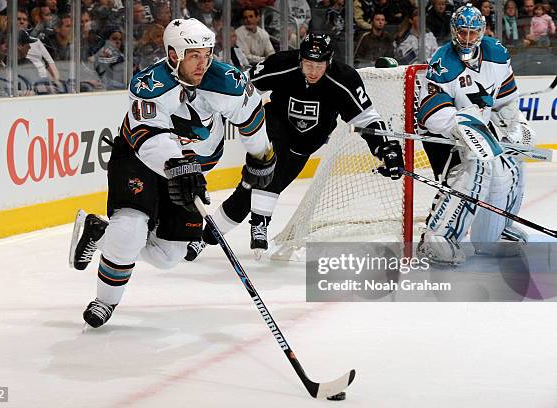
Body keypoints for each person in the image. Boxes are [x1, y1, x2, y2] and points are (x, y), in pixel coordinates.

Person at [69, 18, 275, 328]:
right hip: (140, 159)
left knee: (168, 256)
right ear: (173, 54)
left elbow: (250, 117)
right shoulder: (149, 84)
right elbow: (150, 137)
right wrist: (178, 166)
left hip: (189, 169)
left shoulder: (227, 82)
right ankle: (105, 300)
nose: (202, 63)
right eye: (194, 55)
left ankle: (98, 233)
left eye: (207, 54)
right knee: (131, 230)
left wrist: (262, 155)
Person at [184, 33, 404, 261]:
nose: (313, 71)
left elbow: (367, 118)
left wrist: (386, 149)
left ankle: (205, 237)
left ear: (329, 61)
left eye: (319, 65)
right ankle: (260, 221)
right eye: (308, 64)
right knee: (267, 169)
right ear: (300, 59)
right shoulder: (281, 64)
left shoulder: (344, 79)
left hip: (305, 146)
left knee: (246, 193)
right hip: (275, 126)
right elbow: (242, 86)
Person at [416, 4, 535, 264]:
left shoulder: (497, 54)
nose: (467, 38)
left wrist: (511, 124)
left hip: (480, 131)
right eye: (462, 32)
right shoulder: (442, 61)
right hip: (447, 139)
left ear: (481, 31)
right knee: (477, 168)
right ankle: (438, 237)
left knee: (511, 160)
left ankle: (493, 233)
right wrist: (460, 126)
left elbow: (505, 101)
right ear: (454, 31)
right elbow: (429, 114)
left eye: (472, 33)